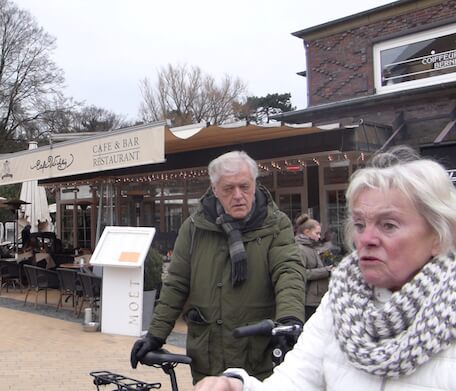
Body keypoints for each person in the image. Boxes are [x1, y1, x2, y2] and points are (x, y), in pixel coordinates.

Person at [193, 145, 456, 391]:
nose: (366, 239)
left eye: (389, 225)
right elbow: (294, 381)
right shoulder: (341, 302)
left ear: (438, 236)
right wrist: (239, 386)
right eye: (361, 225)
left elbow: (289, 272)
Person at [130, 150, 306, 384]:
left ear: (254, 184)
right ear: (214, 189)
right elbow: (176, 285)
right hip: (209, 357)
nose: (238, 195)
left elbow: (288, 271)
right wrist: (154, 335)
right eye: (228, 189)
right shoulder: (194, 228)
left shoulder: (276, 224)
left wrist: (289, 320)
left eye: (244, 186)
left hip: (258, 358)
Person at [294, 214, 332, 320]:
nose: (319, 237)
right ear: (307, 232)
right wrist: (326, 271)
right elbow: (301, 273)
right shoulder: (300, 249)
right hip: (308, 300)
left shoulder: (311, 248)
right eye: (317, 233)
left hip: (315, 298)